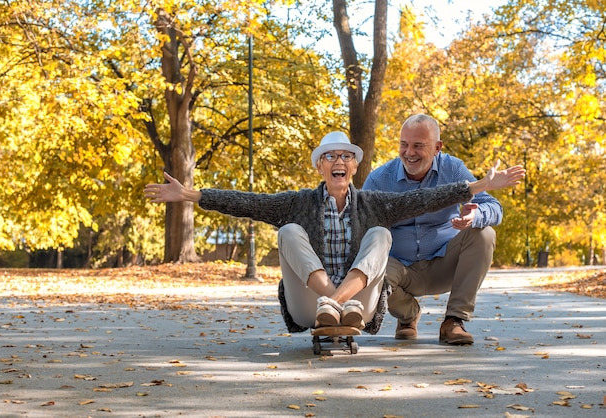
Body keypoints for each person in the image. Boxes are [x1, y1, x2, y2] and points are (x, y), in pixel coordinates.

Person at [145, 131, 524, 335]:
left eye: (345, 157)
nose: (338, 162)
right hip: (310, 303)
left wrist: (476, 186)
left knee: (380, 234)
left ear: (355, 167)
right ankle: (332, 301)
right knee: (290, 231)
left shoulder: (375, 202)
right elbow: (247, 202)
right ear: (319, 168)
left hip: (361, 306)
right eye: (330, 157)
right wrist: (191, 194)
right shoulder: (298, 202)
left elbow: (430, 198)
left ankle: (341, 303)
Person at [362, 114, 512, 345]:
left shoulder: (452, 169)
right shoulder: (380, 179)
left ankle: (454, 321)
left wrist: (475, 216)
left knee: (485, 233)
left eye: (418, 146)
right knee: (366, 268)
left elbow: (494, 207)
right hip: (399, 268)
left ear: (437, 147)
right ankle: (408, 315)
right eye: (404, 144)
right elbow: (361, 228)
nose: (409, 152)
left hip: (445, 263)